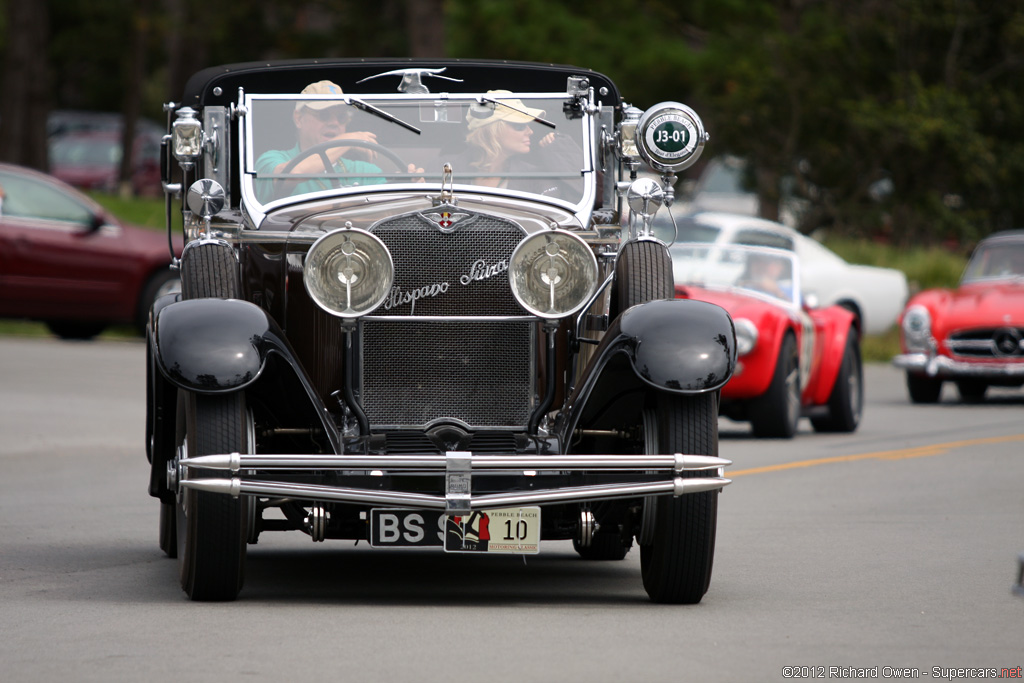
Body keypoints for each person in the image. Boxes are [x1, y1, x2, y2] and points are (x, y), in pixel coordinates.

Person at [254, 80, 420, 202]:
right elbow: (291, 174)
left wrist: (407, 188)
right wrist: (346, 140)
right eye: (324, 115)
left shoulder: (362, 170)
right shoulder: (272, 159)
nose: (334, 123)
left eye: (341, 117)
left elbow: (386, 208)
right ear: (299, 118)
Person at [455, 90, 581, 198]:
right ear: (493, 130)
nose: (530, 131)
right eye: (520, 126)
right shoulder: (447, 169)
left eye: (528, 125)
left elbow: (580, 196)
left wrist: (561, 149)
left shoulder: (535, 177)